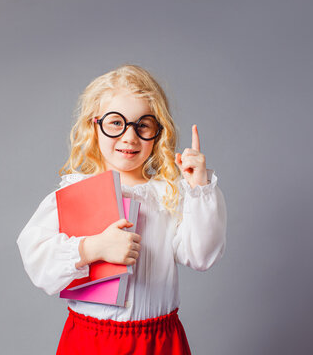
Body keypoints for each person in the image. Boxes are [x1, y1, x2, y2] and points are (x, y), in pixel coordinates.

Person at [16, 64, 227, 354]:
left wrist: (199, 188)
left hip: (159, 340)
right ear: (94, 124)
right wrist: (93, 248)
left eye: (143, 125)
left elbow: (201, 255)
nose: (129, 137)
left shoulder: (169, 194)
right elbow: (37, 259)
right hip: (92, 341)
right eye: (116, 123)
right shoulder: (75, 192)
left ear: (158, 131)